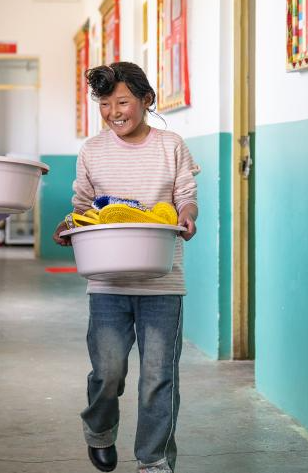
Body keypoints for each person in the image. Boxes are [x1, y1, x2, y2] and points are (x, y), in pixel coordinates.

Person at [54, 61, 199, 473]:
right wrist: (68, 226)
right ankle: (100, 430)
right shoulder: (92, 150)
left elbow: (186, 196)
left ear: (146, 99)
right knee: (108, 372)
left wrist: (187, 216)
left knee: (158, 378)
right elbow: (82, 207)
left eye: (122, 102)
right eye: (105, 104)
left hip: (162, 282)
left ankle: (154, 460)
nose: (113, 112)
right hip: (107, 284)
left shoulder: (171, 145)